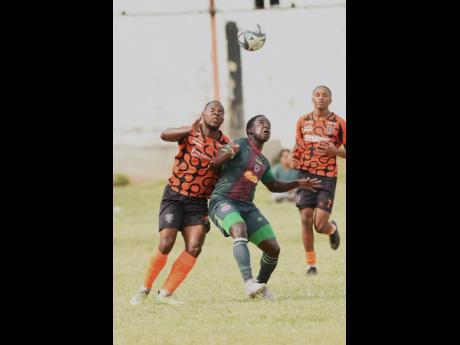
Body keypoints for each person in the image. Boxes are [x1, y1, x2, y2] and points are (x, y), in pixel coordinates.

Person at [208, 115, 321, 300]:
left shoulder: (264, 161)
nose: (266, 126)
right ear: (250, 130)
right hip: (222, 200)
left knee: (273, 249)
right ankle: (249, 282)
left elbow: (274, 186)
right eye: (261, 123)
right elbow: (214, 164)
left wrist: (300, 182)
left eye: (269, 125)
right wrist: (227, 153)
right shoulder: (238, 144)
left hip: (246, 206)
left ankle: (259, 287)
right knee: (239, 228)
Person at [130, 101, 231, 305]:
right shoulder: (189, 133)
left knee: (194, 246)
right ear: (203, 114)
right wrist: (189, 128)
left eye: (220, 112)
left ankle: (165, 294)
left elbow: (223, 171)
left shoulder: (226, 144)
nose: (216, 114)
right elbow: (164, 135)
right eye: (212, 110)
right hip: (174, 196)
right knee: (166, 242)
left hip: (198, 202)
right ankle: (144, 289)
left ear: (223, 119)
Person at [289, 86, 346, 276]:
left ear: (331, 99)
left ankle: (332, 229)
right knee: (305, 218)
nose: (321, 98)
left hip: (327, 176)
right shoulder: (302, 121)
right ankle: (311, 265)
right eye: (317, 95)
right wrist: (291, 158)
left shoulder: (338, 122)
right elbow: (297, 145)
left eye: (325, 96)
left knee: (320, 225)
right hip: (305, 175)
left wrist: (336, 151)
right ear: (312, 98)